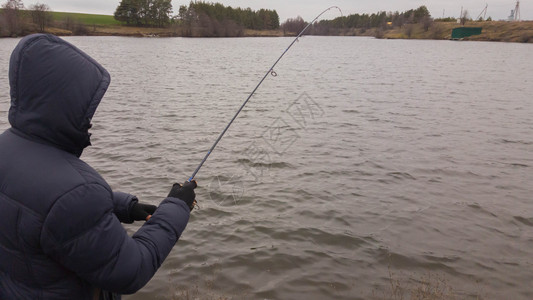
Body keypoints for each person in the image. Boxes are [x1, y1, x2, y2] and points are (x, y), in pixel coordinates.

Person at [0, 34, 197, 299]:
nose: (90, 119)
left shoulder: (8, 148)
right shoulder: (74, 193)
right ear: (66, 102)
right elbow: (131, 270)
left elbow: (41, 206)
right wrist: (175, 207)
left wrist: (123, 207)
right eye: (86, 108)